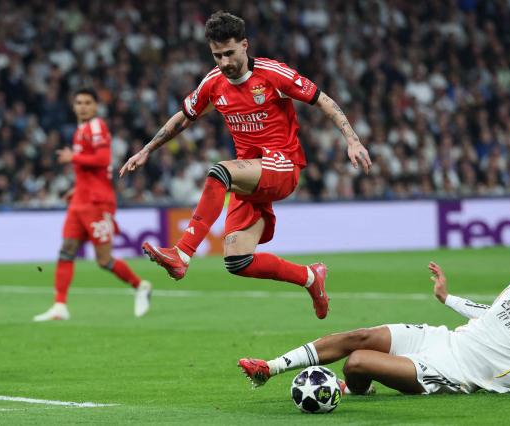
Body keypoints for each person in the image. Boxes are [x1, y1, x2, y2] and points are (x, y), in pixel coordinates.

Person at [119, 11, 371, 319]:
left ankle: (182, 252)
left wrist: (352, 139)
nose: (224, 62)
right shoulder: (213, 83)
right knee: (238, 261)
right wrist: (147, 148)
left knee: (219, 171)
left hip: (282, 165)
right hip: (250, 174)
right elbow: (184, 117)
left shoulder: (272, 74)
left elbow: (323, 100)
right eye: (217, 55)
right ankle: (309, 277)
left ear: (245, 45)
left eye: (229, 53)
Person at [239, 259, 510, 395]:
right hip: (440, 339)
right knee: (358, 337)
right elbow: (486, 313)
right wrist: (447, 299)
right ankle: (269, 369)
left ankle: (355, 390)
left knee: (357, 362)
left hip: (453, 372)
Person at [34, 88, 152, 322]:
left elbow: (102, 159)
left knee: (104, 260)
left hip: (98, 202)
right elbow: (91, 171)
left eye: (88, 102)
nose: (83, 106)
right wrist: (76, 190)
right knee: (66, 250)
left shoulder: (96, 126)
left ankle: (141, 286)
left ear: (96, 106)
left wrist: (72, 158)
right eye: (79, 102)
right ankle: (60, 306)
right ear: (73, 106)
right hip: (80, 201)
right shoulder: (80, 130)